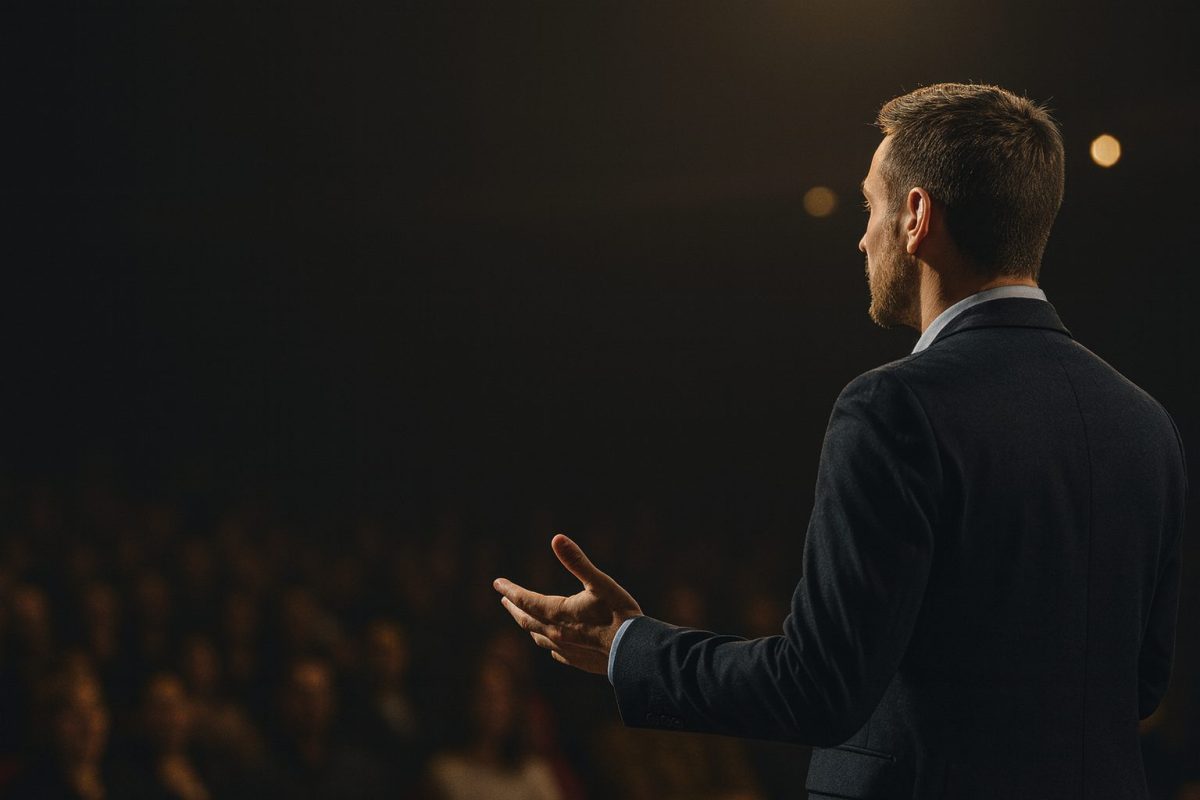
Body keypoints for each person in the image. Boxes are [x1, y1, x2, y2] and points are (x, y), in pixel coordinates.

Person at [493, 82, 1187, 799]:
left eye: (870, 205)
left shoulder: (894, 408)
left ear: (916, 215)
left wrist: (625, 644)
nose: (862, 235)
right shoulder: (1146, 425)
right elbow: (1137, 687)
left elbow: (817, 687)